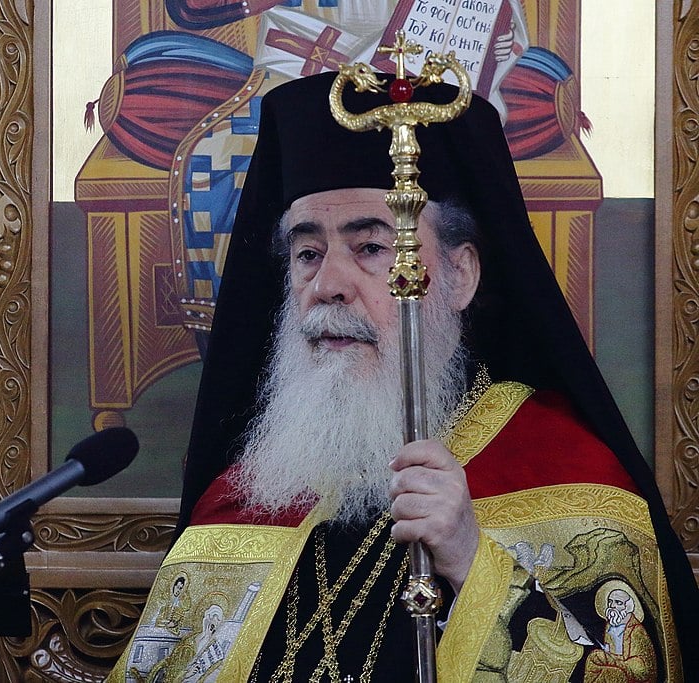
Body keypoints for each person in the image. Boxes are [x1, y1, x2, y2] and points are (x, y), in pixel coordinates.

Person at [107, 71, 699, 681]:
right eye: (308, 254)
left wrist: (471, 561)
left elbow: (622, 670)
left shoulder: (563, 464)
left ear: (460, 276)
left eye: (371, 248)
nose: (327, 285)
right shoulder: (248, 496)